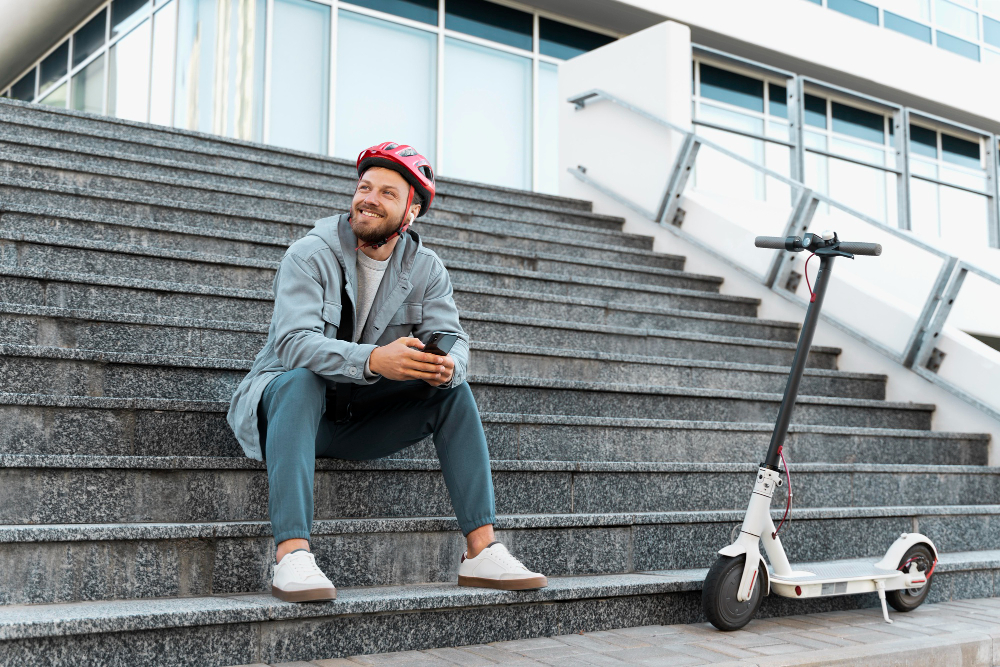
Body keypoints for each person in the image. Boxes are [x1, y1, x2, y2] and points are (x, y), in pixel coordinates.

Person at [227, 141, 547, 602]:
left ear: (411, 212)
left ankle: (481, 550)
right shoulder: (309, 254)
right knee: (301, 381)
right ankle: (292, 555)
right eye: (365, 187)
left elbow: (454, 338)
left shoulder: (426, 269)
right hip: (287, 414)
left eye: (387, 193)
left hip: (354, 421)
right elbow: (293, 344)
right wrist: (374, 360)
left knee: (452, 393)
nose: (369, 199)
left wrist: (446, 366)